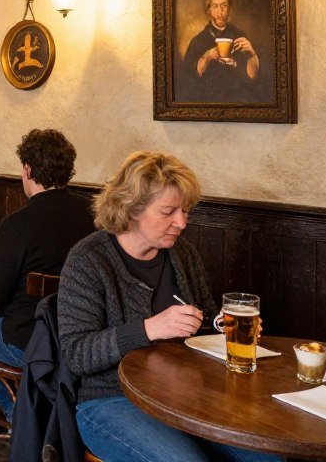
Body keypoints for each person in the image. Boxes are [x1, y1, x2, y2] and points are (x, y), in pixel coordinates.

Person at [58, 152, 282, 462]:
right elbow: (77, 354)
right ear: (131, 208)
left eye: (185, 211)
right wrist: (149, 328)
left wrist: (224, 325)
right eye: (168, 211)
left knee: (267, 458)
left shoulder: (181, 254)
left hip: (184, 396)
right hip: (111, 400)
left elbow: (201, 315)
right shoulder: (88, 260)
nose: (182, 223)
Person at [0, 129, 94, 432]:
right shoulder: (94, 213)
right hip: (84, 338)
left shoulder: (17, 225)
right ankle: (35, 409)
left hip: (28, 339)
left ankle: (19, 414)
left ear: (27, 170)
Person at [179, 0, 262, 102]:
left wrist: (252, 54)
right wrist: (207, 57)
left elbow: (252, 76)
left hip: (237, 101)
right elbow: (188, 81)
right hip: (208, 101)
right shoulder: (198, 41)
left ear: (229, 8)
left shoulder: (240, 36)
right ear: (209, 10)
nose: (220, 11)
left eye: (224, 5)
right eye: (215, 6)